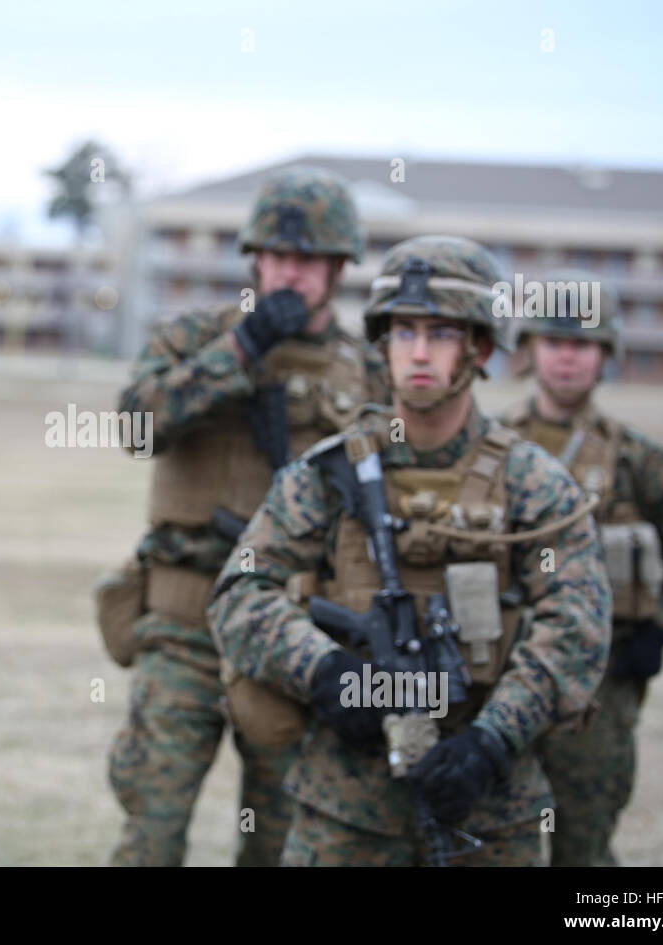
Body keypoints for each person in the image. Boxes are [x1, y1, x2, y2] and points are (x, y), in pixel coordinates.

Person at [208, 236, 611, 866]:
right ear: (382, 343)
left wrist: (492, 741)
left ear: (480, 348)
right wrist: (323, 672)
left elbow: (577, 625)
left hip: (490, 808)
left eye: (441, 333)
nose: (418, 353)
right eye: (403, 333)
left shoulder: (535, 485)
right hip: (345, 811)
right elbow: (240, 592)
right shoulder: (329, 474)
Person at [101, 167, 389, 865]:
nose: (292, 273)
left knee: (281, 837)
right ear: (255, 258)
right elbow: (139, 427)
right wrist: (242, 350)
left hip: (297, 634)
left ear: (339, 266)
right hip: (183, 625)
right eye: (279, 256)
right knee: (153, 830)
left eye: (309, 259)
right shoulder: (194, 339)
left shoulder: (368, 375)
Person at [502, 270, 663, 866]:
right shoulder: (492, 447)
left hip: (600, 686)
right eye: (554, 341)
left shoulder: (637, 460)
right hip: (497, 680)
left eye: (582, 344)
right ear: (530, 349)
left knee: (584, 845)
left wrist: (658, 629)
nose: (567, 357)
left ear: (606, 355)